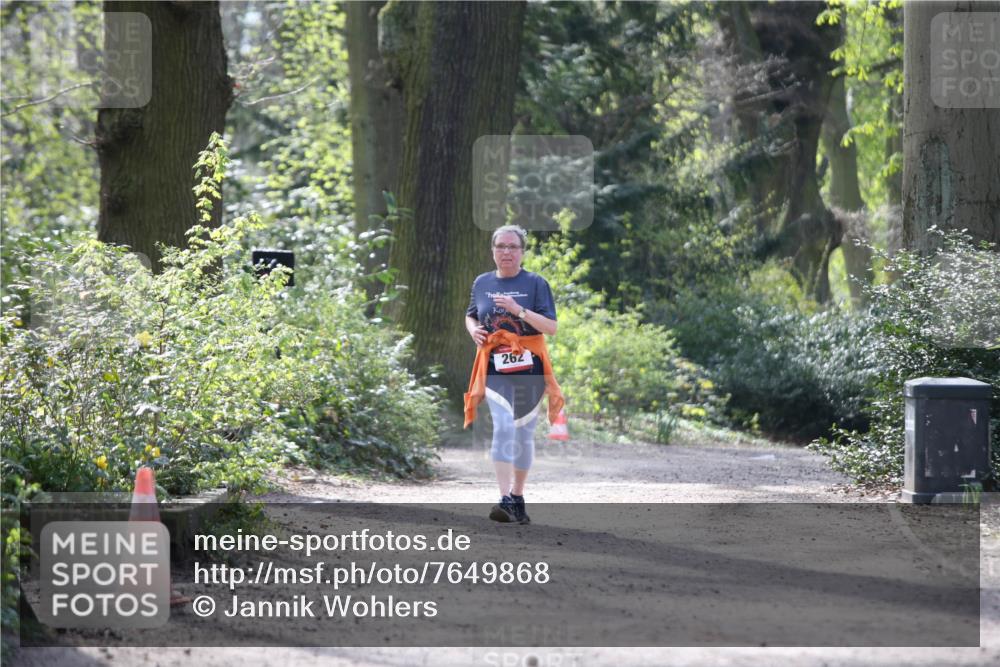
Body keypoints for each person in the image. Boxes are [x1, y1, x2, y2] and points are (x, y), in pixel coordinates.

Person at [463, 225, 563, 524]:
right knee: (504, 426)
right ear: (492, 250)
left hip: (530, 369)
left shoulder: (535, 283)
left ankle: (518, 497)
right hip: (494, 368)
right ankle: (504, 498)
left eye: (512, 247)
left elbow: (551, 327)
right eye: (500, 246)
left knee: (523, 434)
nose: (506, 252)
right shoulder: (482, 282)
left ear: (522, 252)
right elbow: (471, 313)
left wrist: (519, 311)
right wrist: (474, 332)